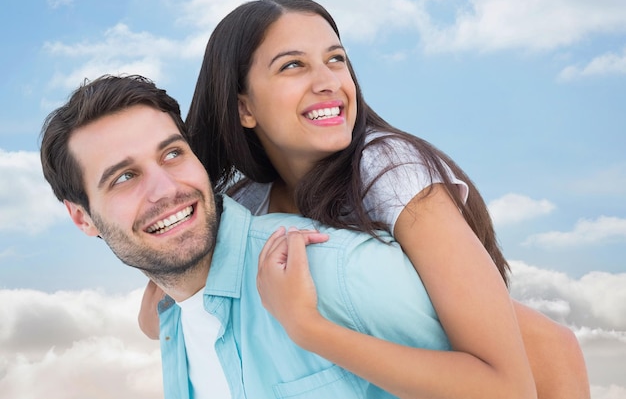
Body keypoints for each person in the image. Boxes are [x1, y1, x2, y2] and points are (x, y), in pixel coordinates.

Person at [176, 0, 587, 399]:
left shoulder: (388, 169)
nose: (328, 82)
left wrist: (307, 327)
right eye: (293, 65)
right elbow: (167, 308)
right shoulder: (247, 204)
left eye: (336, 59)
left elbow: (506, 389)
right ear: (243, 108)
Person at [40, 74, 531, 399]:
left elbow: (526, 368)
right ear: (82, 218)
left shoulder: (331, 268)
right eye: (123, 177)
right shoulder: (170, 320)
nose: (166, 189)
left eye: (172, 154)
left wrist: (310, 329)